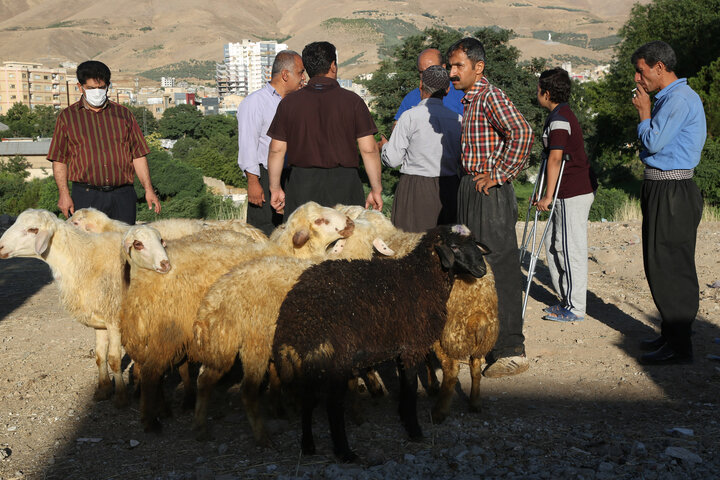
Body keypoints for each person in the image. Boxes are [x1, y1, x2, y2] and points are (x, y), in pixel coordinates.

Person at [447, 37, 534, 378]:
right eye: (451, 66)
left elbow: (522, 133)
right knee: (471, 264)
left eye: (458, 66)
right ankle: (481, 344)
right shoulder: (469, 100)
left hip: (490, 195)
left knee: (500, 266)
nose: (452, 73)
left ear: (477, 67)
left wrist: (498, 174)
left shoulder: (489, 95)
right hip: (471, 188)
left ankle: (512, 349)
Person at [631, 41, 706, 365]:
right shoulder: (672, 98)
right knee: (660, 264)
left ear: (659, 67)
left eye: (641, 70)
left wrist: (644, 115)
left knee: (672, 266)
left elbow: (652, 142)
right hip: (665, 190)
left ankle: (680, 346)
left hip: (673, 191)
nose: (638, 78)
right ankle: (670, 336)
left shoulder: (677, 99)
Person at [267, 41, 383, 217]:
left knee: (304, 242)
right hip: (344, 186)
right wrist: (376, 189)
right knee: (345, 241)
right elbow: (369, 149)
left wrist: (275, 188)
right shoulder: (353, 101)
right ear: (333, 66)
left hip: (301, 186)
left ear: (307, 69)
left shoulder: (289, 103)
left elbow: (276, 150)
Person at [47, 60, 160, 224]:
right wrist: (64, 194)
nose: (97, 92)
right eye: (91, 88)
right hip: (86, 195)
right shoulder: (68, 117)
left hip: (123, 195)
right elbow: (59, 159)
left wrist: (149, 190)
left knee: (124, 244)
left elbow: (138, 155)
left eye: (101, 88)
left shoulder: (124, 115)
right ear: (80, 87)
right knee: (88, 247)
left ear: (108, 86)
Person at [535, 68, 597, 323]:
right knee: (555, 245)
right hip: (565, 190)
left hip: (573, 191)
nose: (536, 93)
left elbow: (556, 157)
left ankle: (576, 307)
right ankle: (566, 298)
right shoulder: (559, 114)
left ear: (547, 93)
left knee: (571, 247)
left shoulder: (560, 119)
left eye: (538, 89)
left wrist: (547, 196)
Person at [379, 65, 462, 232]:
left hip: (414, 189)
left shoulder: (410, 116)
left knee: (411, 247)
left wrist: (384, 147)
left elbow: (392, 159)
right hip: (450, 188)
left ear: (420, 86)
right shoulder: (458, 119)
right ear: (447, 90)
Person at [236, 50, 305, 235]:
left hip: (291, 177)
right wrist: (253, 182)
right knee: (263, 232)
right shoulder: (255, 102)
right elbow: (248, 144)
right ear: (285, 75)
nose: (303, 78)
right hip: (264, 177)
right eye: (300, 72)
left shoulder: (296, 103)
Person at [394, 48, 465, 123]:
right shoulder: (411, 97)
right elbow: (397, 126)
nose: (426, 76)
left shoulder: (462, 95)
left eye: (431, 71)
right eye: (421, 72)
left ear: (443, 68)